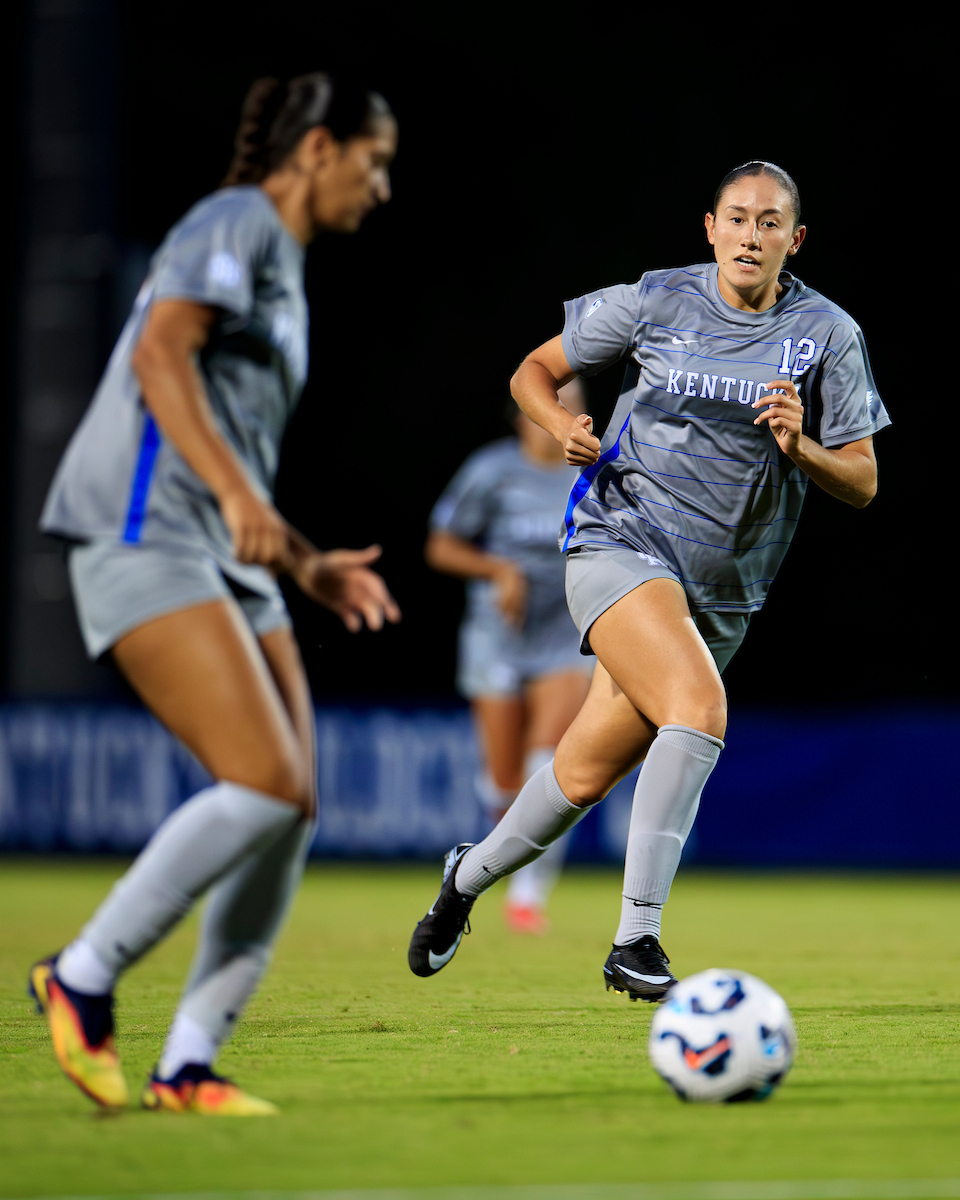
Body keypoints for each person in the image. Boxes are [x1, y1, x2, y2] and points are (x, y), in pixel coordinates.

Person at [409, 160, 889, 996]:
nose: (750, 235)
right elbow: (531, 371)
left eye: (769, 222)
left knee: (581, 776)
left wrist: (802, 446)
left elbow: (864, 480)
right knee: (700, 712)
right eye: (736, 218)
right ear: (710, 227)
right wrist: (560, 423)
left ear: (795, 239)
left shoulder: (828, 333)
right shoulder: (656, 298)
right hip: (619, 541)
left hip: (724, 594)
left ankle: (465, 878)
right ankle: (637, 937)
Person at [30, 73, 400, 1114]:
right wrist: (241, 498)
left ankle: (186, 1064)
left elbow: (230, 449)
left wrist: (305, 563)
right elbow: (160, 353)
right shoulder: (237, 220)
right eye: (374, 163)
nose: (382, 187)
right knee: (266, 784)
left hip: (226, 554)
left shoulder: (284, 265)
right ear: (319, 149)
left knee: (293, 806)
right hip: (142, 529)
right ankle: (83, 973)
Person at [425, 382, 594, 934]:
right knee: (502, 783)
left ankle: (526, 895)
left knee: (546, 763)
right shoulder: (491, 470)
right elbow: (441, 544)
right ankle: (489, 863)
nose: (564, 415)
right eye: (553, 404)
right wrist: (498, 570)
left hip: (564, 633)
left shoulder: (595, 473)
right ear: (525, 413)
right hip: (497, 633)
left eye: (574, 405)